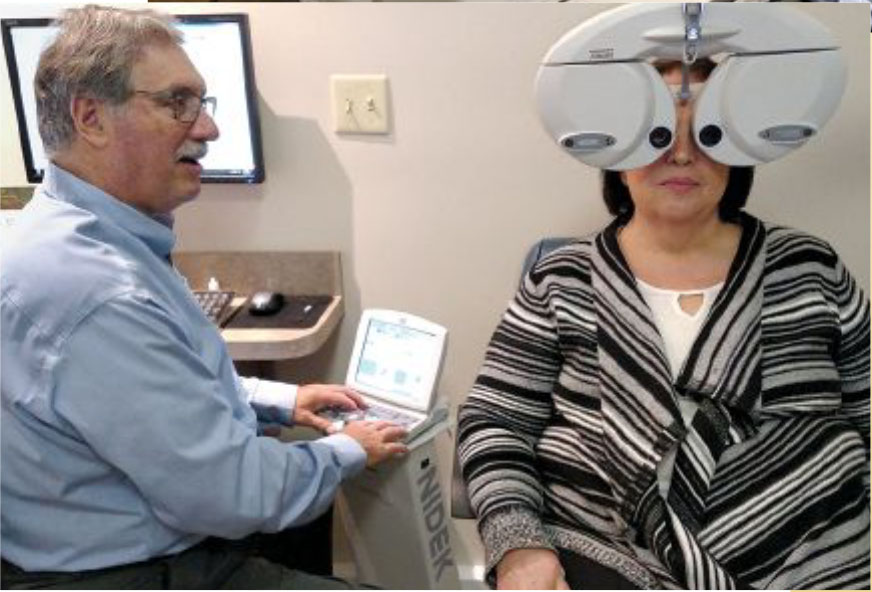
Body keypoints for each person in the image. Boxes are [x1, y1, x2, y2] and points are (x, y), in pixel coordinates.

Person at [0, 5, 407, 589]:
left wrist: (280, 399)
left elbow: (161, 389)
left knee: (297, 472)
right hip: (136, 568)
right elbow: (233, 494)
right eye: (176, 103)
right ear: (91, 117)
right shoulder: (100, 294)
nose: (208, 129)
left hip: (106, 528)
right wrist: (348, 449)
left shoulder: (72, 234)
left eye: (202, 104)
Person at [458, 58, 870, 590]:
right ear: (615, 152)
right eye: (655, 133)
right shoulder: (560, 278)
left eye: (705, 132)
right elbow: (496, 421)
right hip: (604, 561)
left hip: (818, 562)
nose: (680, 153)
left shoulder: (809, 266)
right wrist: (520, 546)